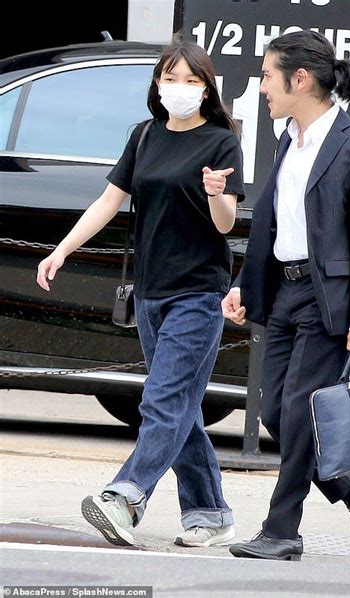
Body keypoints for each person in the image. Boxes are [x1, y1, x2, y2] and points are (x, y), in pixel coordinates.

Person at [37, 41, 245, 548]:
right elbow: (110, 199)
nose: (182, 89)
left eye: (193, 81)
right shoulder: (144, 135)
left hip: (198, 291)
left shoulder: (221, 140)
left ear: (208, 88)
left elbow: (227, 225)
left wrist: (217, 195)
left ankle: (126, 496)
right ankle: (211, 513)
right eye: (173, 78)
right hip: (151, 292)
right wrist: (62, 250)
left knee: (164, 399)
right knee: (181, 408)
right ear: (157, 83)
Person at [222, 30, 350, 561]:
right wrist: (246, 284)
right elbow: (270, 222)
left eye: (268, 75)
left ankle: (281, 530)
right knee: (276, 413)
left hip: (328, 302)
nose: (262, 86)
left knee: (298, 412)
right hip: (285, 294)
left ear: (300, 79)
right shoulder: (286, 140)